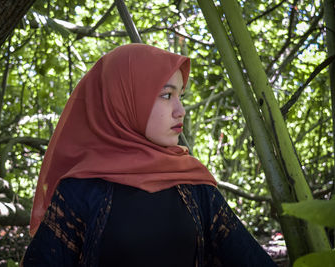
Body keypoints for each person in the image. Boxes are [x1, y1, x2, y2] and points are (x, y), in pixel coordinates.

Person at [22, 44, 277, 266]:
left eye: (180, 96)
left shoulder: (193, 184)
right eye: (166, 95)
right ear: (123, 102)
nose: (180, 111)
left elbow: (249, 257)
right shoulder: (80, 191)